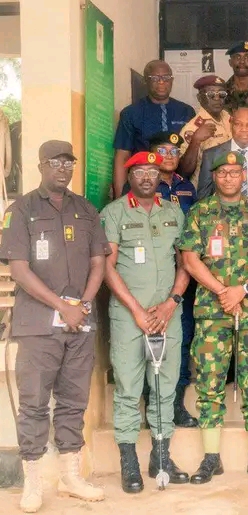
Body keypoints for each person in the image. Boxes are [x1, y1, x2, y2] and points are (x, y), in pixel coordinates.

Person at [0, 140, 108, 512]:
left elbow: (98, 262)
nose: (63, 169)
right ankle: (33, 483)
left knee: (73, 401)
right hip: (38, 325)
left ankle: (70, 477)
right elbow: (19, 269)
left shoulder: (86, 209)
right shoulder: (21, 209)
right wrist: (62, 305)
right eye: (55, 162)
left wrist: (83, 304)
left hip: (79, 323)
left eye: (68, 162)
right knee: (33, 404)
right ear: (41, 166)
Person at [179, 150, 248, 484]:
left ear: (244, 176)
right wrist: (223, 291)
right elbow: (190, 259)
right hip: (212, 312)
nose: (229, 178)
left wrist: (242, 290)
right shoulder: (200, 212)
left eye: (235, 172)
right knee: (209, 383)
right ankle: (211, 458)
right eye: (222, 173)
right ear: (214, 176)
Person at [101, 151, 190, 494]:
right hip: (129, 317)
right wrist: (137, 311)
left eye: (153, 171)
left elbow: (185, 262)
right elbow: (107, 267)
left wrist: (171, 303)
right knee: (128, 388)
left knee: (165, 387)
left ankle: (161, 458)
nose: (148, 177)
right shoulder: (114, 213)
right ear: (130, 176)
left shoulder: (173, 212)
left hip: (168, 315)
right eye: (140, 171)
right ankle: (129, 463)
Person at [120, 132, 199, 428]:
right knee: (140, 346)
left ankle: (174, 403)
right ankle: (146, 404)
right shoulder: (136, 190)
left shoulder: (186, 187)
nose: (169, 155)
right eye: (162, 150)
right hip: (143, 283)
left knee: (180, 342)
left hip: (180, 280)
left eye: (174, 151)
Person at [113, 60, 195, 198]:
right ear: (145, 80)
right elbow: (122, 157)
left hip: (179, 187)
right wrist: (120, 198)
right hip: (144, 184)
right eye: (155, 78)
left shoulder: (186, 111)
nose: (161, 82)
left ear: (172, 80)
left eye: (166, 77)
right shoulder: (131, 113)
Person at [177, 75, 233, 186]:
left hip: (230, 185)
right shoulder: (192, 128)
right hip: (206, 191)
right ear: (199, 98)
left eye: (221, 94)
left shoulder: (228, 118)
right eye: (211, 94)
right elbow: (183, 172)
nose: (217, 98)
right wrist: (195, 141)